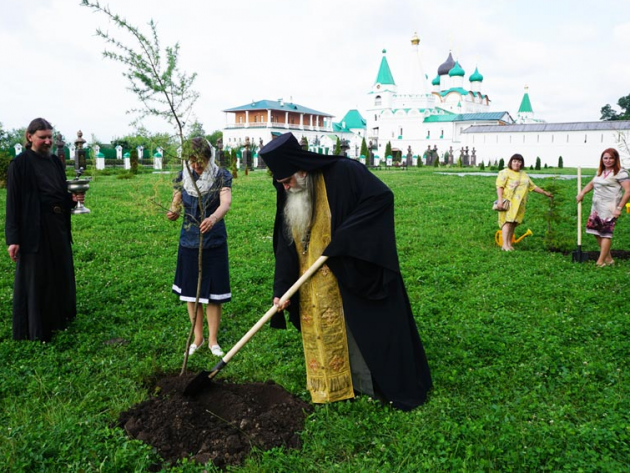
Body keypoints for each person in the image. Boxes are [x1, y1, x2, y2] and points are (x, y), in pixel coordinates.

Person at [259, 132, 432, 411]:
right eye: (281, 184)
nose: (286, 188)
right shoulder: (288, 189)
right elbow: (286, 244)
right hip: (311, 283)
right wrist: (282, 288)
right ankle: (332, 386)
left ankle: (366, 384)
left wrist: (344, 239)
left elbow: (381, 198)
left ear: (302, 169)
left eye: (288, 180)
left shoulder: (344, 172)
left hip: (351, 270)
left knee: (360, 327)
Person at [5, 118, 84, 341]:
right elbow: (13, 203)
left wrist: (73, 199)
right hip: (33, 228)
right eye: (43, 137)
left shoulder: (55, 162)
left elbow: (60, 194)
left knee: (59, 272)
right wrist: (13, 239)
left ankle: (59, 318)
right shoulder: (19, 164)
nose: (48, 141)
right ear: (30, 137)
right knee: (38, 277)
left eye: (50, 136)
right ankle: (37, 327)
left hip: (57, 226)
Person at [167, 137, 232, 356]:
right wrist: (173, 211)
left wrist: (213, 218)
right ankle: (198, 338)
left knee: (214, 293)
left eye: (201, 160)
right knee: (191, 292)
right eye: (192, 161)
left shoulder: (221, 175)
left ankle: (213, 340)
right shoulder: (182, 177)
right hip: (189, 241)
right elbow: (176, 202)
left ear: (209, 157)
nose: (196, 165)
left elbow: (226, 203)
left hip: (213, 240)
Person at [576, 148, 630, 267]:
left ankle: (600, 262)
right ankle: (609, 259)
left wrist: (619, 208)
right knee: (596, 232)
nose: (608, 160)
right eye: (605, 158)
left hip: (610, 207)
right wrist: (582, 193)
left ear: (616, 159)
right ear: (602, 159)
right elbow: (592, 183)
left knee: (605, 233)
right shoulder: (600, 171)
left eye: (611, 158)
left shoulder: (621, 173)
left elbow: (628, 191)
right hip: (597, 207)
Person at [495, 153, 552, 251]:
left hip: (519, 204)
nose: (517, 163)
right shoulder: (505, 172)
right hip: (509, 202)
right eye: (514, 161)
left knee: (513, 223)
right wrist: (500, 200)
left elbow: (532, 186)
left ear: (522, 163)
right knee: (507, 222)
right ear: (511, 162)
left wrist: (545, 193)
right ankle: (504, 245)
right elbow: (500, 187)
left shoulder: (523, 174)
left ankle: (509, 244)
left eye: (519, 161)